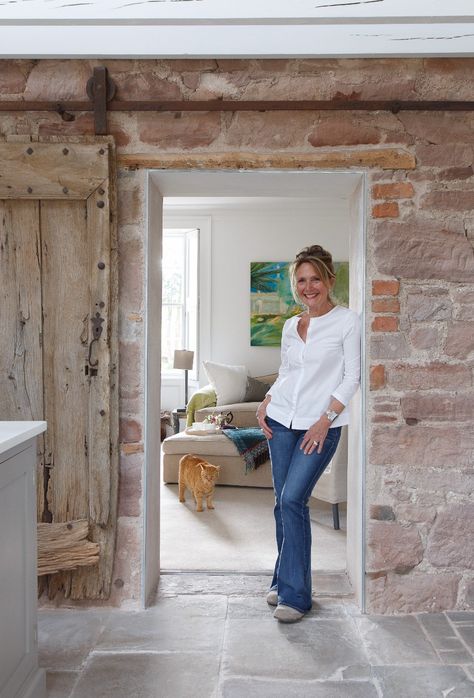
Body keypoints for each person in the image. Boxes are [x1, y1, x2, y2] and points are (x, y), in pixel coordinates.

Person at [256, 244, 360, 623]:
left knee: (294, 500)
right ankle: (283, 580)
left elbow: (352, 377)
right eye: (301, 280)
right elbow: (287, 371)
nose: (308, 286)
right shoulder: (290, 325)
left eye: (315, 278)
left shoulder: (347, 321)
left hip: (320, 426)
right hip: (281, 420)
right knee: (282, 504)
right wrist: (266, 400)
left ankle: (297, 597)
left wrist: (325, 420)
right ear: (294, 286)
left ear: (329, 280)